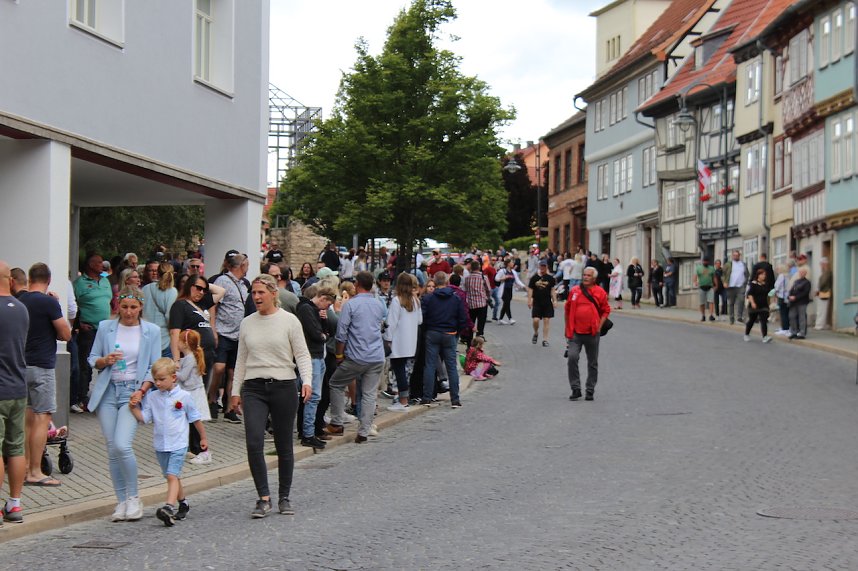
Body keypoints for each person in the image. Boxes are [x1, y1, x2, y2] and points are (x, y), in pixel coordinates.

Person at [229, 274, 313, 518]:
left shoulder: (290, 321)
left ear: (273, 293)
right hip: (254, 387)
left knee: (283, 444)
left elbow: (303, 354)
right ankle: (263, 497)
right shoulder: (247, 323)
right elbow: (241, 360)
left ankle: (284, 497)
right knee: (254, 441)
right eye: (253, 293)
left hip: (284, 386)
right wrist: (235, 392)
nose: (256, 297)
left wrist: (307, 381)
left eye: (260, 293)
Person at [87, 285, 161, 522]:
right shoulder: (106, 327)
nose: (128, 312)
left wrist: (142, 391)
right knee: (111, 448)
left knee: (122, 445)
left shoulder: (151, 330)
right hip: (108, 390)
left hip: (132, 392)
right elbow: (91, 358)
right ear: (118, 306)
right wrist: (104, 360)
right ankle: (120, 500)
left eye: (133, 307)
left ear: (141, 307)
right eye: (125, 307)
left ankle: (134, 497)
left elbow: (154, 367)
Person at [130, 358, 207, 526]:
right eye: (155, 379)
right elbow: (145, 419)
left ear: (174, 378)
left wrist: (203, 437)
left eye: (162, 379)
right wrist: (133, 408)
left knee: (172, 475)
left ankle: (168, 507)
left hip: (178, 443)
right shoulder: (152, 397)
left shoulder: (184, 397)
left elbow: (195, 418)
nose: (157, 383)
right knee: (171, 476)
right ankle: (183, 504)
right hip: (161, 444)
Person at [18, 263, 71, 487]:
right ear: (48, 280)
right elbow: (66, 334)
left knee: (27, 420)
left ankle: (23, 467)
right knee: (42, 418)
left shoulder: (18, 301)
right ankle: (35, 471)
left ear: (30, 279)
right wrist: (56, 304)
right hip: (42, 366)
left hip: (21, 367)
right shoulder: (49, 302)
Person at [324, 271, 386, 441]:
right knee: (369, 393)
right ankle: (364, 430)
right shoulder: (378, 304)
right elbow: (380, 325)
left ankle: (336, 422)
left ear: (357, 285)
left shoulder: (350, 305)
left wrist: (338, 355)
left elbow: (341, 333)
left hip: (357, 355)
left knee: (335, 383)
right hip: (376, 355)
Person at [0, 261, 30, 524]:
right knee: (16, 448)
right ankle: (15, 504)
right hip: (18, 388)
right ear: (10, 280)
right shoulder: (21, 309)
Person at [295, 283, 337, 450]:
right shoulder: (306, 309)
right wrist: (323, 335)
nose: (328, 308)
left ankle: (307, 431)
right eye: (328, 304)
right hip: (312, 357)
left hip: (318, 356)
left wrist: (324, 324)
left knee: (310, 397)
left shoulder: (316, 311)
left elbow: (326, 333)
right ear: (322, 298)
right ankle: (308, 433)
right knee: (313, 397)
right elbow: (316, 334)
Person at [209, 253, 249, 424]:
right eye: (247, 264)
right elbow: (213, 305)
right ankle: (211, 398)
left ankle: (229, 408)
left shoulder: (244, 285)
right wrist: (213, 330)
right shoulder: (223, 281)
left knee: (233, 373)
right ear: (240, 266)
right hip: (223, 332)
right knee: (219, 368)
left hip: (238, 335)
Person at [73, 252, 113, 412]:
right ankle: (82, 398)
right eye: (97, 262)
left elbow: (109, 300)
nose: (101, 265)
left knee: (107, 364)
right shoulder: (80, 283)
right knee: (86, 364)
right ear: (90, 265)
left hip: (105, 330)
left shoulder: (105, 281)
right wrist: (79, 323)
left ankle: (104, 398)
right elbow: (72, 304)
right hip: (88, 330)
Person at [420, 272, 468, 408]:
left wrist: (427, 330)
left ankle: (427, 396)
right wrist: (456, 331)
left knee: (430, 365)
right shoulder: (455, 298)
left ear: (434, 281)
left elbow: (422, 318)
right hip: (450, 333)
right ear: (447, 281)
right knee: (451, 367)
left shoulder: (429, 298)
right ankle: (455, 399)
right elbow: (462, 318)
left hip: (433, 332)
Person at [565, 267, 610, 402]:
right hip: (575, 333)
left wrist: (599, 327)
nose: (585, 277)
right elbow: (567, 310)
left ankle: (590, 390)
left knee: (592, 362)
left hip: (592, 333)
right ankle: (575, 388)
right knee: (572, 358)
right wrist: (568, 330)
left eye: (588, 275)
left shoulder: (600, 292)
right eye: (584, 275)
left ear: (594, 278)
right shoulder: (574, 291)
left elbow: (606, 310)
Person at [168, 274, 225, 376]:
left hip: (207, 355)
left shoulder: (202, 303)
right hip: (191, 356)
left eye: (204, 290)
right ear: (189, 286)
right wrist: (176, 360)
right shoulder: (180, 305)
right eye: (198, 288)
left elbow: (221, 291)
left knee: (203, 390)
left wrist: (205, 284)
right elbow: (174, 333)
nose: (201, 292)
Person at [385, 273, 422, 412]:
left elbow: (391, 323)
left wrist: (388, 338)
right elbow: (420, 321)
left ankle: (403, 400)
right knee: (402, 370)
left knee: (399, 371)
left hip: (398, 341)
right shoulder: (415, 300)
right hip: (410, 341)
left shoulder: (397, 300)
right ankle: (403, 398)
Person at [176, 330, 213, 465]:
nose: (177, 343)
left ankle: (202, 452)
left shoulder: (190, 358)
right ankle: (192, 448)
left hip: (193, 394)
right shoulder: (188, 357)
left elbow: (183, 377)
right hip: (190, 392)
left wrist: (173, 370)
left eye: (179, 341)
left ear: (185, 343)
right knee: (191, 423)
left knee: (195, 421)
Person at [142, 262, 177, 358]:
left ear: (158, 273)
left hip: (146, 337)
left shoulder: (145, 288)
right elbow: (170, 317)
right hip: (164, 339)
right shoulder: (172, 291)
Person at [527, 260, 558, 347]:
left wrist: (555, 300)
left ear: (547, 267)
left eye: (544, 266)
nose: (543, 268)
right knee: (536, 320)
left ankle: (545, 339)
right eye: (541, 266)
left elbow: (552, 290)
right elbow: (530, 289)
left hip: (547, 302)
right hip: (537, 302)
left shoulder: (550, 278)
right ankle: (536, 332)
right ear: (539, 267)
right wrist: (529, 300)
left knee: (546, 320)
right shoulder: (534, 278)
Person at [463, 260, 492, 338]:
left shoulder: (467, 278)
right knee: (481, 325)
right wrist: (488, 297)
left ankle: (469, 344)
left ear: (471, 267)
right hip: (482, 304)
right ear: (479, 267)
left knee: (471, 324)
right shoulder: (483, 277)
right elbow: (489, 290)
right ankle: (478, 342)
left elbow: (465, 290)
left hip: (471, 304)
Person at [744, 268, 773, 343]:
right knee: (752, 320)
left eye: (765, 275)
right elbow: (750, 294)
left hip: (763, 305)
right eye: (762, 274)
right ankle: (746, 334)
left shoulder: (766, 284)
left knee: (763, 321)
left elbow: (768, 294)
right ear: (758, 275)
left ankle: (765, 336)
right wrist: (753, 303)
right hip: (755, 305)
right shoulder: (753, 284)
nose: (764, 276)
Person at [495, 259, 525, 325]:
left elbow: (517, 281)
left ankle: (500, 319)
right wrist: (503, 278)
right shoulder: (502, 271)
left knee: (506, 304)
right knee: (507, 303)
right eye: (511, 262)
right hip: (504, 289)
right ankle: (510, 318)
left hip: (510, 289)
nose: (513, 263)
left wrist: (524, 286)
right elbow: (496, 278)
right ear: (508, 264)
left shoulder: (513, 272)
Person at [723, 250, 749, 324]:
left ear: (739, 256)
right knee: (731, 303)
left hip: (740, 286)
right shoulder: (728, 264)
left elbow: (747, 274)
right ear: (732, 256)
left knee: (741, 301)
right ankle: (731, 318)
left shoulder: (743, 264)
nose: (735, 257)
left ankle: (740, 317)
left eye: (737, 255)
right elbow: (723, 274)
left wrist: (746, 282)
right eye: (734, 255)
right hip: (731, 286)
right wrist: (724, 282)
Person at [788, 268, 811, 340]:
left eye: (802, 273)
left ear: (805, 274)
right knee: (792, 316)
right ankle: (793, 332)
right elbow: (791, 290)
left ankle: (802, 333)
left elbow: (805, 293)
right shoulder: (796, 281)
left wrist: (796, 297)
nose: (801, 274)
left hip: (802, 302)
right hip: (793, 302)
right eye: (800, 272)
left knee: (802, 317)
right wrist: (789, 296)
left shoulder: (807, 282)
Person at [693, 258, 716, 322]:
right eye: (704, 261)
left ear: (708, 262)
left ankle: (711, 315)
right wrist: (695, 282)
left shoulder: (711, 268)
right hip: (701, 287)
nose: (705, 262)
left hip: (710, 287)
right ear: (702, 261)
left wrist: (716, 285)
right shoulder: (699, 268)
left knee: (711, 301)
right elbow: (695, 275)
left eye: (706, 261)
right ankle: (703, 315)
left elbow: (714, 277)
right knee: (702, 303)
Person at [814, 257, 832, 330]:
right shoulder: (824, 272)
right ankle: (820, 324)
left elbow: (823, 282)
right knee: (820, 309)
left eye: (821, 264)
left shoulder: (827, 272)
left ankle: (820, 325)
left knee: (822, 309)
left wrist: (818, 290)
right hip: (822, 292)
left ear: (825, 264)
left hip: (824, 292)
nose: (820, 265)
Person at [773, 264, 791, 334]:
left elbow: (777, 286)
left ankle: (784, 328)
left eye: (778, 269)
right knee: (786, 312)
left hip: (782, 296)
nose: (777, 270)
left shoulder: (781, 276)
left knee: (783, 312)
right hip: (787, 296)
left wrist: (774, 292)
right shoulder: (788, 275)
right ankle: (787, 327)